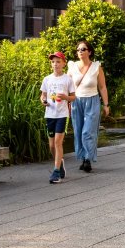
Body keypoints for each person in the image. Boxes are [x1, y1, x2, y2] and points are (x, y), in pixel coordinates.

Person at [69, 40, 109, 172]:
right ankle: (83, 157)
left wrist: (106, 105)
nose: (80, 51)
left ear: (89, 52)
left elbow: (102, 87)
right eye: (78, 49)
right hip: (76, 102)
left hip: (92, 101)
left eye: (83, 49)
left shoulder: (97, 67)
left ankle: (87, 159)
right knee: (78, 131)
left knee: (88, 131)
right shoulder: (72, 66)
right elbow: (67, 86)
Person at [41, 51, 76, 184]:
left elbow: (73, 97)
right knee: (51, 146)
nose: (55, 64)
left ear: (63, 64)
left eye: (58, 62)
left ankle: (56, 172)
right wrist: (43, 101)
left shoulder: (67, 79)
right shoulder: (47, 79)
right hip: (50, 114)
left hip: (62, 115)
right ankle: (60, 164)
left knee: (57, 142)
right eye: (53, 62)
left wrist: (65, 97)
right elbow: (43, 95)